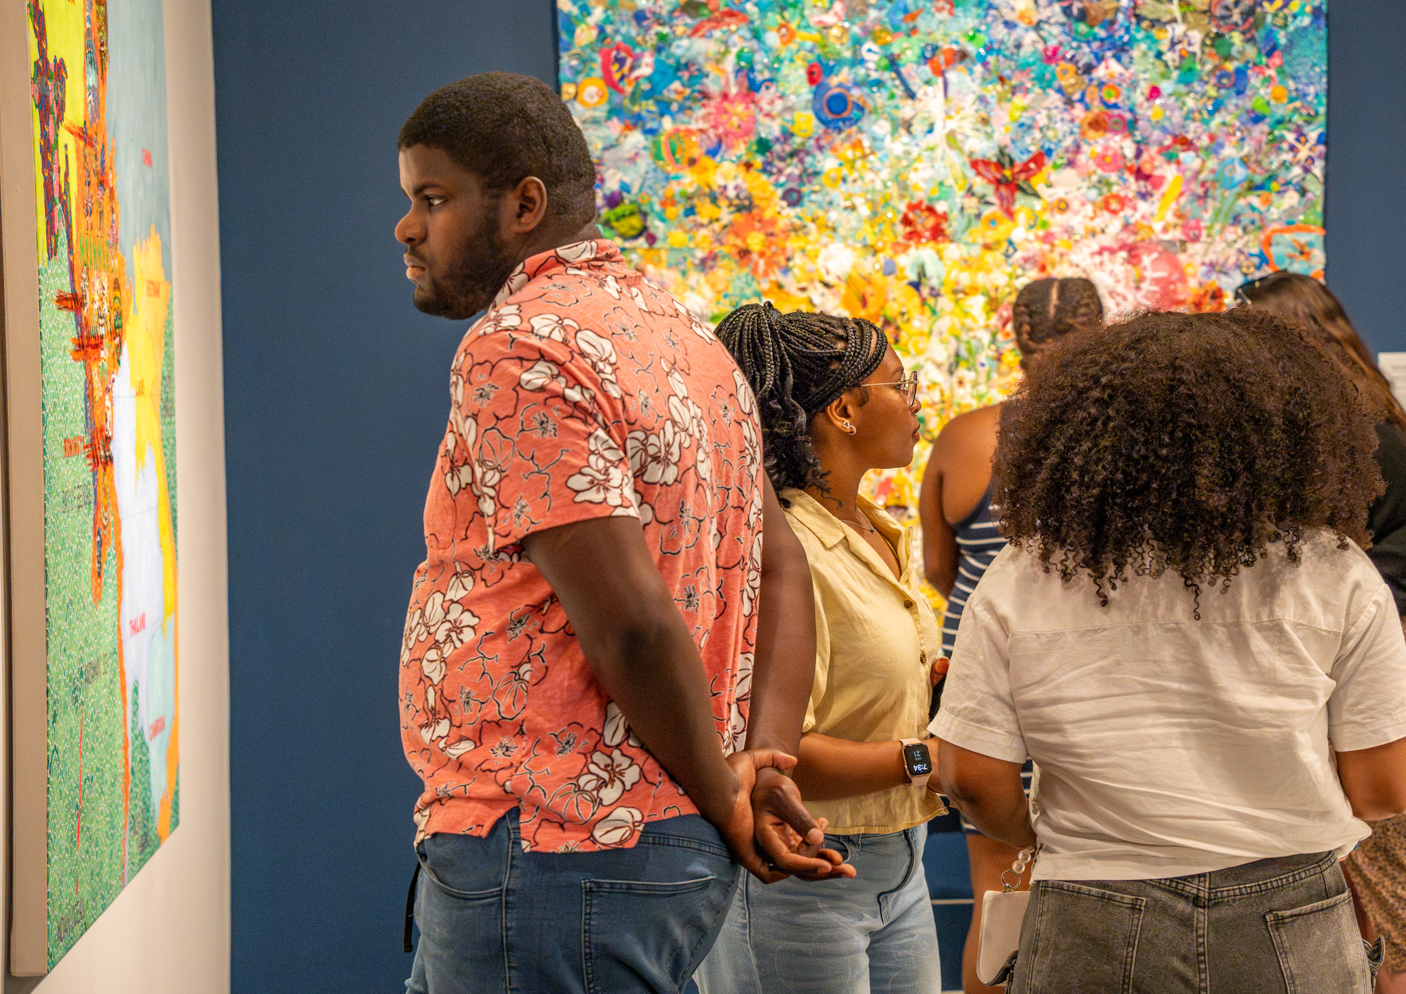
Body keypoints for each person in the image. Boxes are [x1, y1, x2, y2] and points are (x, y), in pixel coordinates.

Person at [391, 72, 848, 994]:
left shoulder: (520, 345)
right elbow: (783, 566)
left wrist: (731, 789)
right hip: (647, 850)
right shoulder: (684, 339)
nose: (408, 227)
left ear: (524, 205)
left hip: (553, 850)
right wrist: (757, 769)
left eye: (432, 199)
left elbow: (633, 626)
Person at [932, 308, 1406, 994]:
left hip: (1088, 909)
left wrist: (1034, 832)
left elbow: (970, 777)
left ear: (1084, 435)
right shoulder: (1331, 570)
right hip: (1289, 912)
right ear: (1281, 435)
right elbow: (1389, 788)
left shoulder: (1022, 575)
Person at [1238, 271, 1406, 994]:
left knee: (1399, 877)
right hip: (1389, 650)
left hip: (1391, 658)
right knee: (1365, 867)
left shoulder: (1346, 437)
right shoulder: (1362, 418)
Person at [713, 302, 948, 994]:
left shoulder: (874, 533)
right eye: (902, 389)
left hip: (903, 863)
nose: (915, 408)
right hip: (804, 872)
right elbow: (776, 760)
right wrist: (926, 756)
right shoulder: (792, 550)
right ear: (845, 411)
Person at [917, 276, 1101, 994]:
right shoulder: (1111, 440)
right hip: (1084, 673)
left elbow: (940, 568)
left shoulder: (966, 436)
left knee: (998, 890)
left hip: (977, 668)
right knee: (1103, 881)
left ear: (1017, 338)